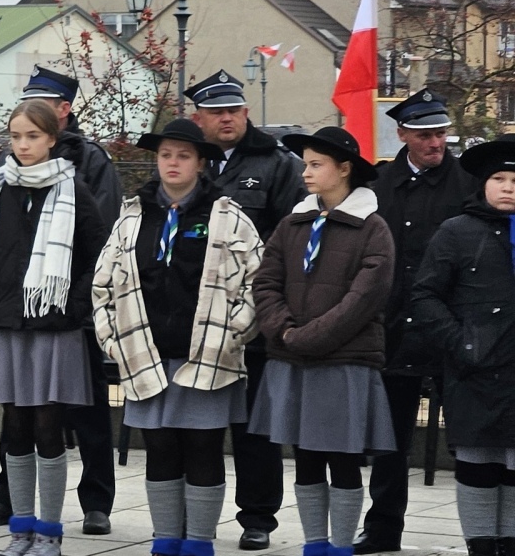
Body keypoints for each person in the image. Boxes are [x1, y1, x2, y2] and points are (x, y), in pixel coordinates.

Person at [94, 118, 263, 556]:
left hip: (207, 356)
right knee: (160, 448)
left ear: (201, 163)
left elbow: (257, 284)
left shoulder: (228, 217)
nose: (173, 163)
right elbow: (103, 285)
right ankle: (166, 540)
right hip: (146, 355)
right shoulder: (133, 217)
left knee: (203, 448)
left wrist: (233, 335)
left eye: (183, 156)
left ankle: (200, 543)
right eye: (166, 155)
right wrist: (114, 341)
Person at [0, 65, 121, 536]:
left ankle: (90, 505)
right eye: (15, 135)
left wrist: (74, 306)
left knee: (66, 417)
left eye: (32, 134)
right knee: (16, 419)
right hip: (11, 318)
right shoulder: (0, 182)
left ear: (58, 123)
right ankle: (13, 506)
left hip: (62, 319)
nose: (22, 144)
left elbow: (99, 249)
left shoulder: (85, 170)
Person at [249, 127, 396, 556]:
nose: (306, 172)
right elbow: (266, 282)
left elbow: (364, 298)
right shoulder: (292, 224)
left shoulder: (372, 228)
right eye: (305, 164)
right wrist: (284, 331)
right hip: (292, 357)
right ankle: (315, 544)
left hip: (344, 361)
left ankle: (341, 545)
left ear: (344, 169)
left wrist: (310, 337)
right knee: (306, 458)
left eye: (316, 165)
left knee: (343, 459)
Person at [186, 69, 306, 550]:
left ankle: (258, 518)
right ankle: (194, 515)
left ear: (246, 112)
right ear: (199, 118)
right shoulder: (190, 160)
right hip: (194, 317)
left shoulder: (278, 164)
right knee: (198, 425)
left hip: (251, 316)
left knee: (254, 427)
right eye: (216, 112)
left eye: (233, 110)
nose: (226, 119)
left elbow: (291, 239)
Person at [355, 90, 474, 554]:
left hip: (452, 331)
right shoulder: (379, 184)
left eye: (440, 133)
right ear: (402, 134)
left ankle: (482, 532)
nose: (435, 143)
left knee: (470, 442)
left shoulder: (468, 183)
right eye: (425, 135)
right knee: (390, 442)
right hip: (394, 331)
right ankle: (382, 529)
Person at [410, 135, 515, 556]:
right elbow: (425, 296)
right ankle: (481, 544)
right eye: (499, 178)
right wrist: (461, 343)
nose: (508, 187)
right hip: (474, 373)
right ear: (483, 184)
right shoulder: (457, 231)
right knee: (478, 466)